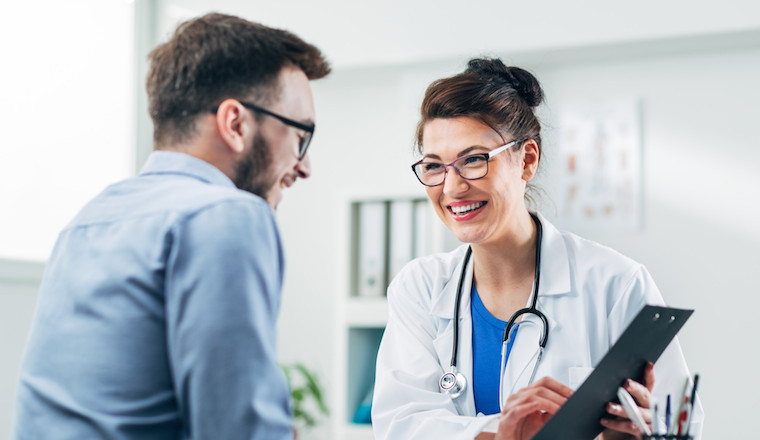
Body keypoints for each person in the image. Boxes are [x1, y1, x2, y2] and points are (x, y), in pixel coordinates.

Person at [13, 13, 330, 440]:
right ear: (235, 124)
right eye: (300, 136)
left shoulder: (89, 220)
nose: (304, 166)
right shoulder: (227, 214)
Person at [371, 58, 703, 440]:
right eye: (434, 166)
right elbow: (402, 425)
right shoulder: (420, 288)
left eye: (474, 160)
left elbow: (678, 424)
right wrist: (506, 433)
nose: (452, 187)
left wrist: (632, 434)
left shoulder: (616, 283)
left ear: (526, 159)